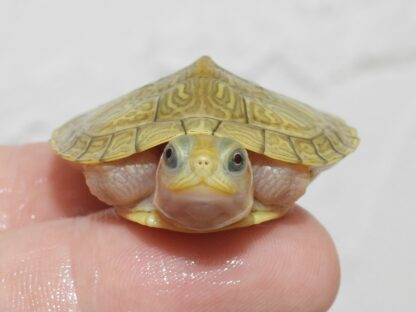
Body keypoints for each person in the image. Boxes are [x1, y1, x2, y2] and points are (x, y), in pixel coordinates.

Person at [0, 143, 340, 311]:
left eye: (235, 162)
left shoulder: (270, 184)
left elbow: (291, 175)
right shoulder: (134, 182)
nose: (203, 167)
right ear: (159, 165)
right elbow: (104, 175)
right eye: (173, 159)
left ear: (250, 169)